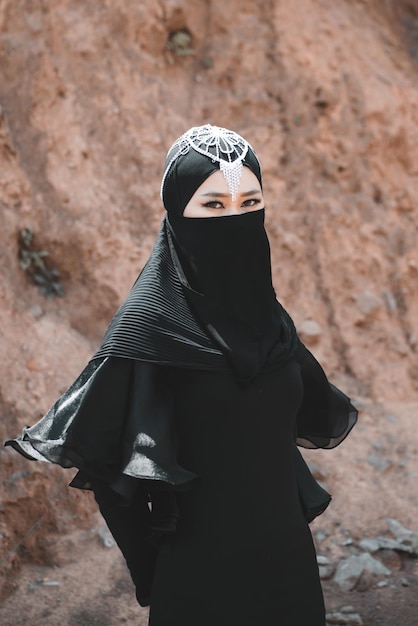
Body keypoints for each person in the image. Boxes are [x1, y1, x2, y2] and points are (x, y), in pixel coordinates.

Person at [6, 124, 358, 626]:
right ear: (177, 213)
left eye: (249, 202)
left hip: (289, 567)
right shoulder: (149, 327)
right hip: (200, 579)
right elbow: (106, 465)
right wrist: (154, 574)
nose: (235, 219)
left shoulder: (269, 321)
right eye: (213, 205)